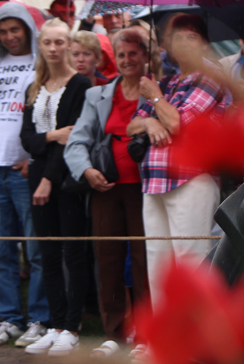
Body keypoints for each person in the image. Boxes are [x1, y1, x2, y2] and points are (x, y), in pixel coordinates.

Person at [65, 28, 155, 355]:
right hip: (105, 188)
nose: (128, 60)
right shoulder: (97, 95)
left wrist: (155, 95)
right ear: (114, 59)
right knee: (108, 259)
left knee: (147, 260)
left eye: (134, 53)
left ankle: (146, 334)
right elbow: (76, 141)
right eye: (122, 55)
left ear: (145, 55)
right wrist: (86, 170)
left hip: (146, 190)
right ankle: (114, 333)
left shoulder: (156, 91)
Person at [125, 13, 225, 304]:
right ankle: (166, 345)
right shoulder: (169, 82)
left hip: (191, 179)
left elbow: (179, 124)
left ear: (205, 44)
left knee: (190, 260)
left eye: (190, 37)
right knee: (158, 264)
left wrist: (155, 99)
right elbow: (132, 124)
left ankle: (195, 344)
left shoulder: (210, 80)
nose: (182, 43)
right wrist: (149, 122)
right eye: (176, 37)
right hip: (154, 181)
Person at [0, 3, 49, 348]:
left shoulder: (39, 64)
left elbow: (46, 114)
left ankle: (39, 319)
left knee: (35, 250)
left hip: (23, 168)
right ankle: (10, 319)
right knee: (0, 250)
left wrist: (36, 157)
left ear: (28, 30)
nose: (9, 36)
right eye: (3, 31)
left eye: (16, 29)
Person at [18, 20, 90, 356]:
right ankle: (56, 322)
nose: (53, 48)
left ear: (68, 45)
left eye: (59, 42)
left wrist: (48, 176)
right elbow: (28, 140)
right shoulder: (34, 87)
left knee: (72, 252)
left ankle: (72, 326)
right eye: (47, 42)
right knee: (46, 253)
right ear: (41, 46)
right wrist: (50, 135)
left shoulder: (79, 84)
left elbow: (72, 138)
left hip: (65, 178)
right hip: (38, 176)